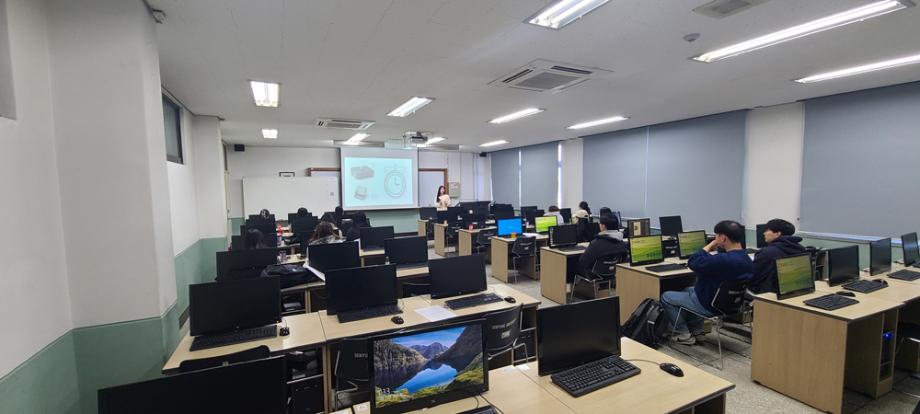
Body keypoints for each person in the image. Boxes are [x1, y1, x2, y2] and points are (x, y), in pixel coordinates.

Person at [661, 220, 753, 345]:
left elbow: (693, 262)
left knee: (666, 297)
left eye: (716, 236)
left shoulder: (722, 260)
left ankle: (682, 333)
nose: (715, 238)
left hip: (710, 305)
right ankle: (698, 331)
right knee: (688, 289)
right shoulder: (746, 259)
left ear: (723, 238)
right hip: (732, 305)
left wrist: (710, 245)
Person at [749, 219, 806, 294]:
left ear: (778, 233)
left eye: (767, 230)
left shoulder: (766, 253)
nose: (764, 233)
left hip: (769, 294)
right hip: (793, 291)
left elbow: (753, 278)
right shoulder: (801, 249)